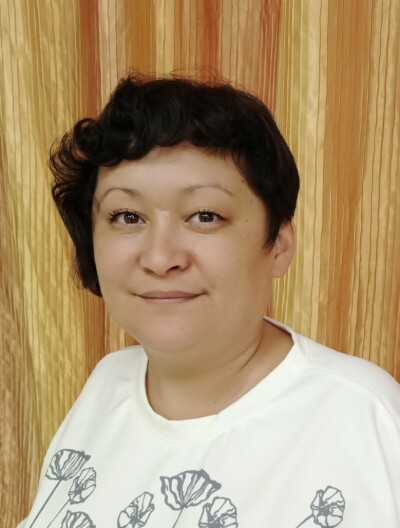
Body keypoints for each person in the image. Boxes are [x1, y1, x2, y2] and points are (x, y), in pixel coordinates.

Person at [19, 74, 400, 528]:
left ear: (279, 244)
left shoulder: (365, 419)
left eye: (205, 215)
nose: (160, 258)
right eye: (127, 216)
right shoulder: (106, 384)